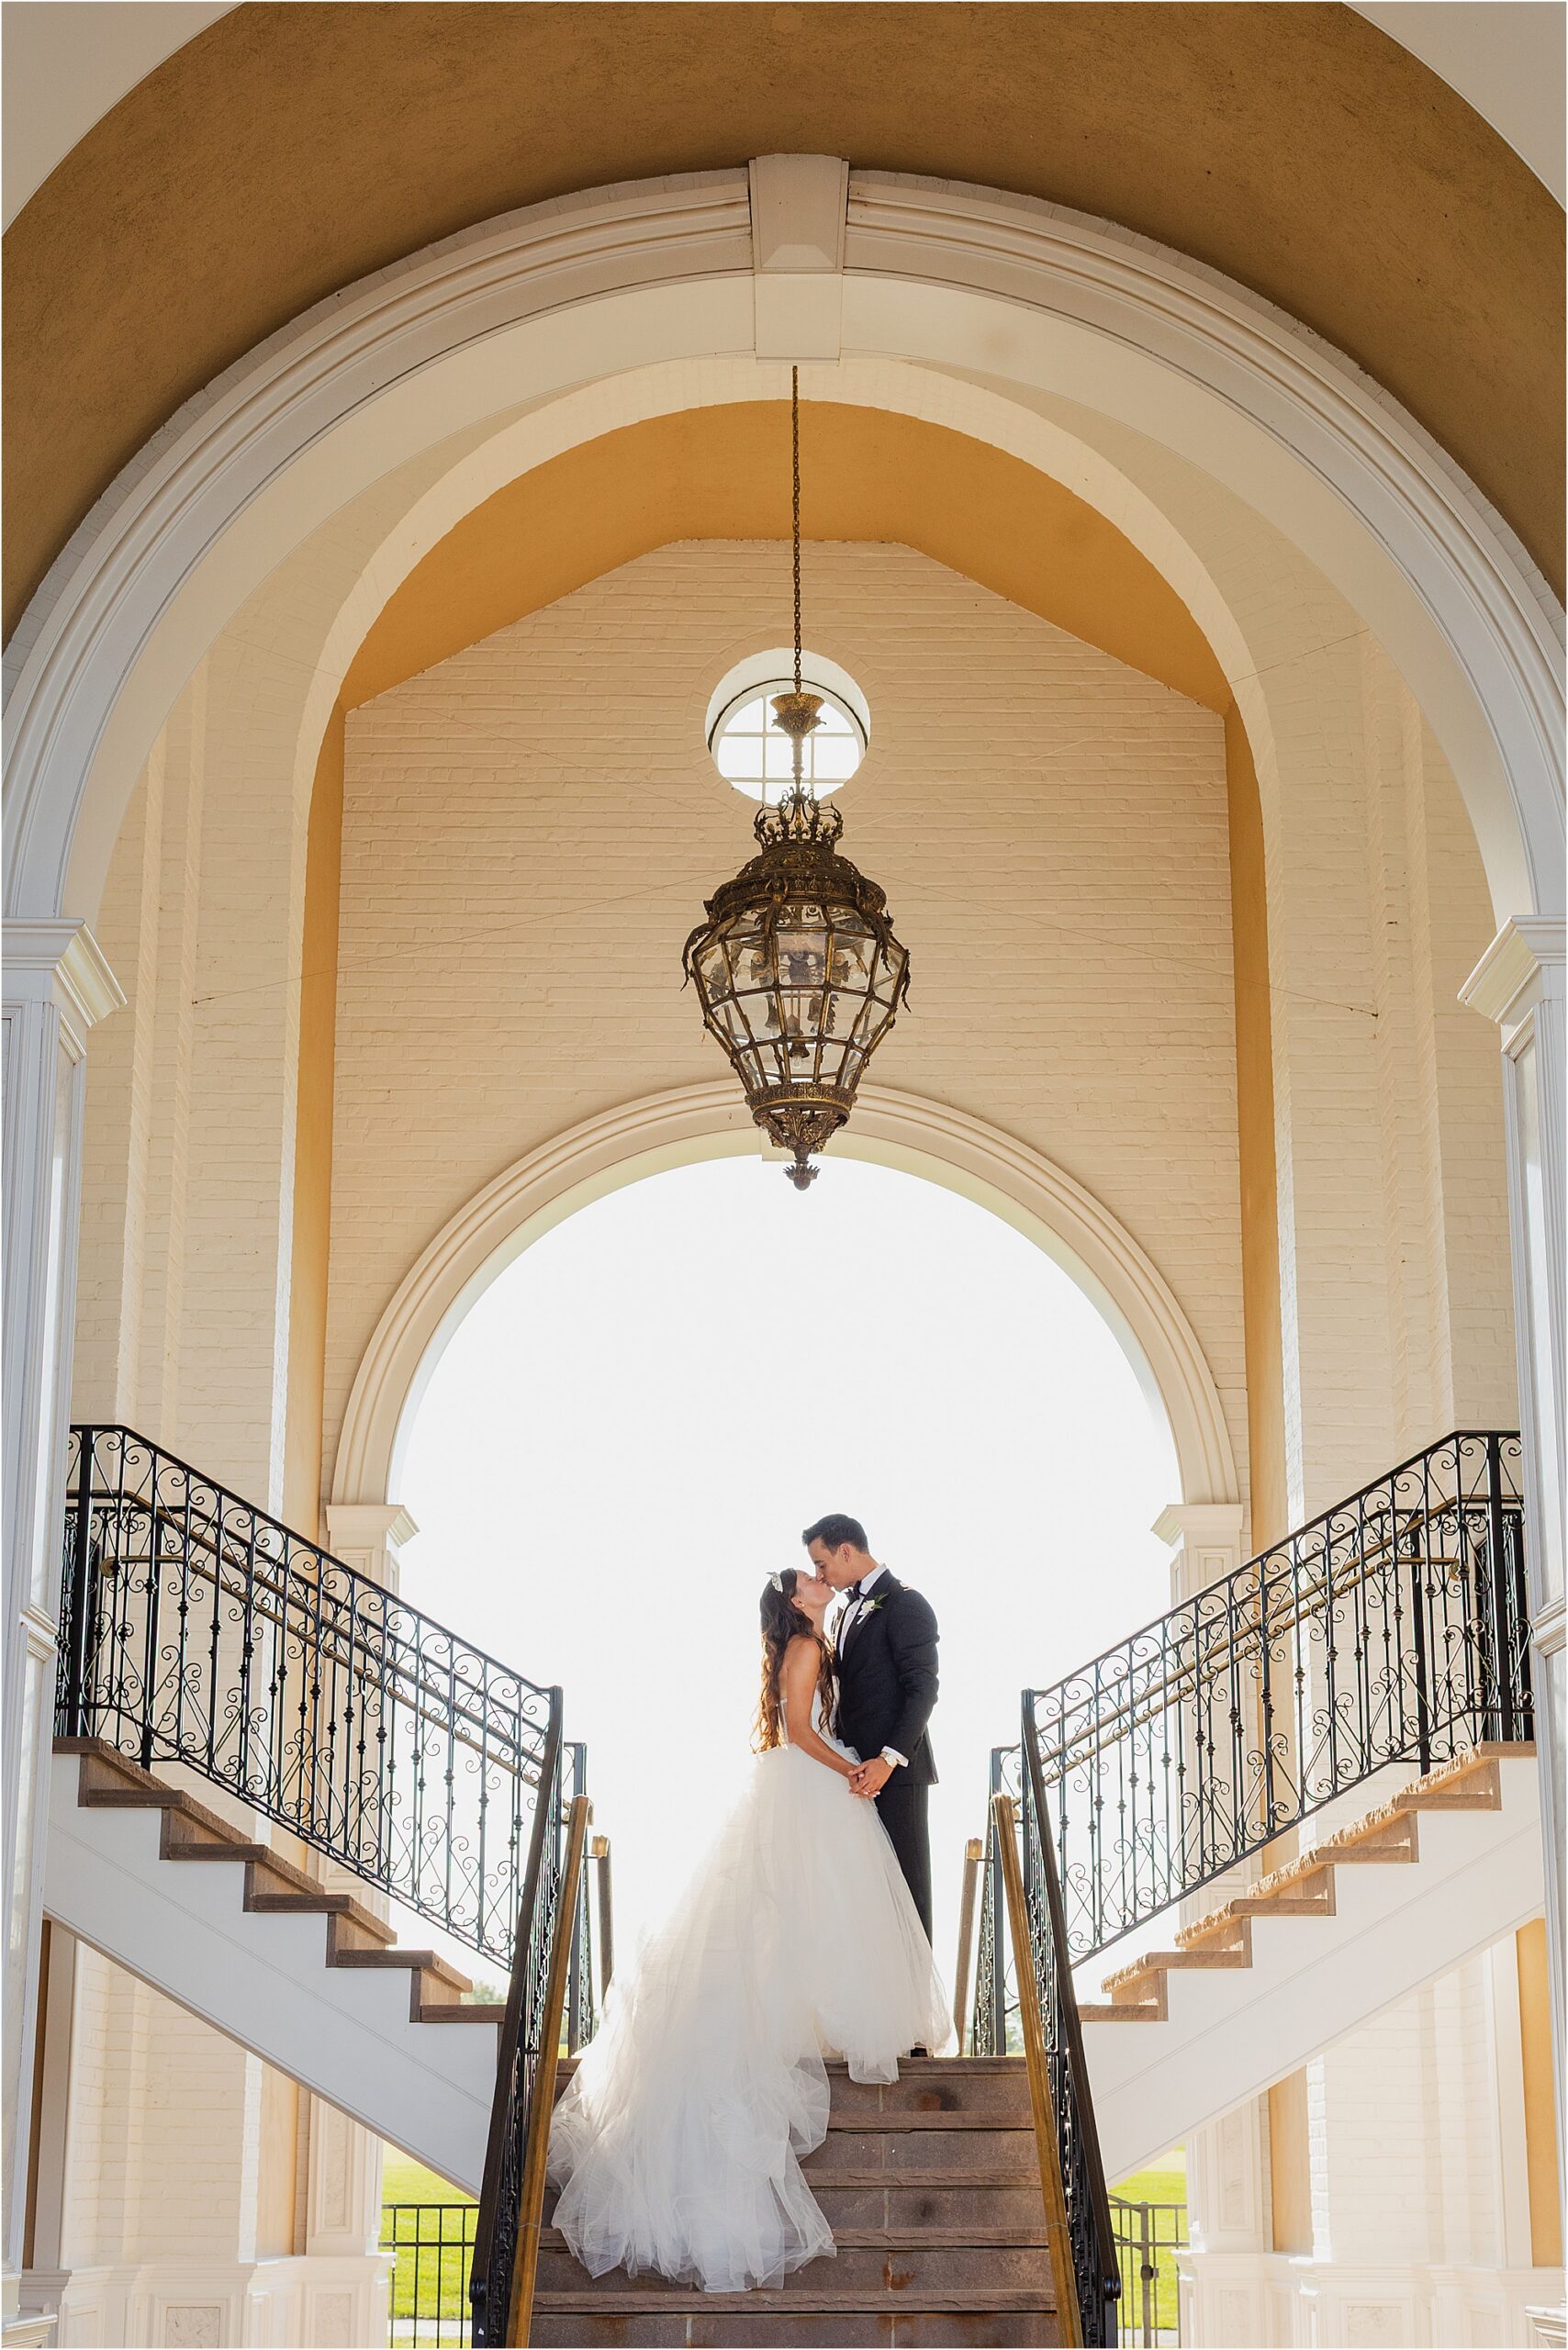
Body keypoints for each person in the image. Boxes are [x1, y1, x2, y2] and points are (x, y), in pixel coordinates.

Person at [547, 1563, 951, 2294]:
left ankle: (815, 2017)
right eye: (810, 1577)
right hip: (810, 1783)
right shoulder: (804, 1649)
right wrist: (851, 1774)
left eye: (821, 1569)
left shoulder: (813, 1641)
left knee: (813, 1913)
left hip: (814, 1785)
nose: (821, 1578)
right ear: (797, 1601)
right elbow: (799, 1730)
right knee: (797, 1908)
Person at [802, 1512, 938, 1941]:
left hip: (896, 1774)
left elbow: (923, 1689)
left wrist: (887, 1759)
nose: (818, 1574)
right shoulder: (843, 1612)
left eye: (822, 1563)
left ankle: (915, 2006)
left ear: (846, 1550)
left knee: (906, 1893)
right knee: (863, 1898)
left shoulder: (906, 1603)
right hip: (851, 1774)